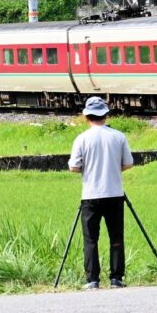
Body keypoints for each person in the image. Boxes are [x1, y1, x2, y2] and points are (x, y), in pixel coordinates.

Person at [68, 97, 134, 290]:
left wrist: (88, 168)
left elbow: (74, 167)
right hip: (114, 193)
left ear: (86, 116)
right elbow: (128, 163)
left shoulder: (82, 138)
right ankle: (116, 278)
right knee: (116, 237)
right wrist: (112, 168)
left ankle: (92, 280)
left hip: (90, 195)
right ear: (105, 115)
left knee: (90, 239)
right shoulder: (118, 136)